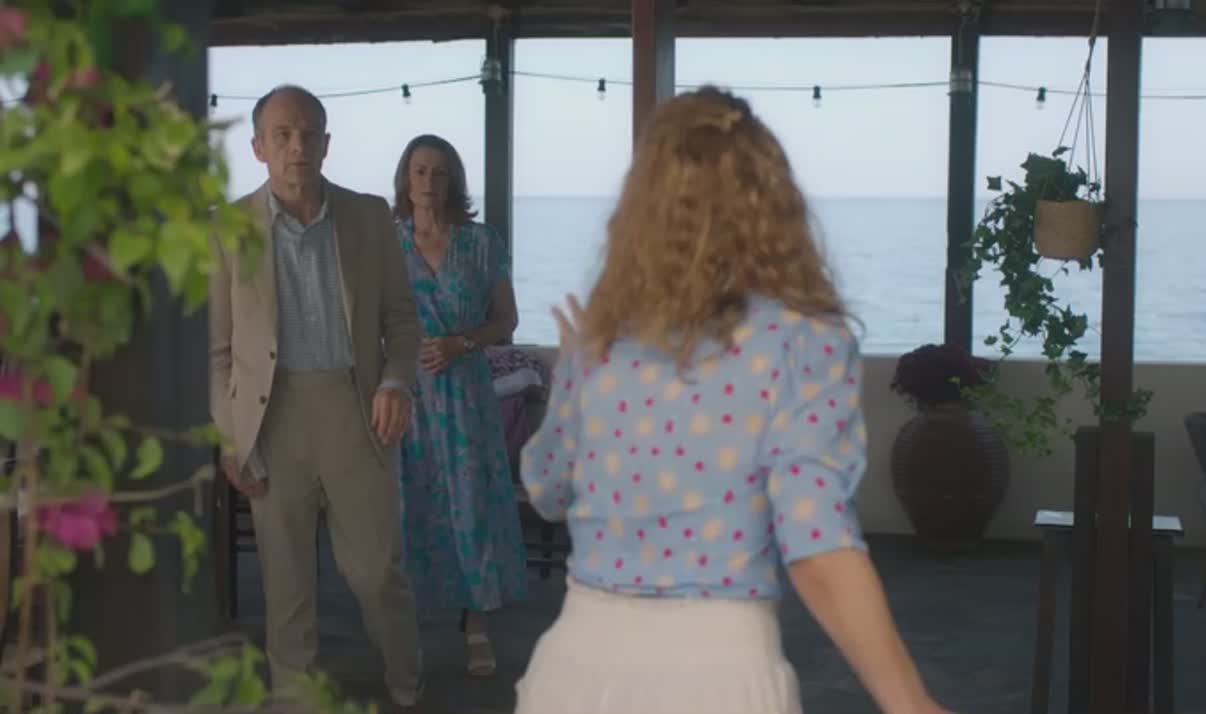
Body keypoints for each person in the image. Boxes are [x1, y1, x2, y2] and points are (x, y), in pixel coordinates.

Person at [515, 87, 952, 714]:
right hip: (718, 677)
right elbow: (816, 540)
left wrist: (573, 375)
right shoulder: (800, 343)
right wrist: (912, 705)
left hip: (574, 671)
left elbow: (546, 488)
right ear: (772, 204)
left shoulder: (600, 349)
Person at [208, 85, 427, 712]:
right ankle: (296, 699)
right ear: (258, 147)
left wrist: (395, 382)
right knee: (286, 586)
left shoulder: (369, 216)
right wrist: (230, 440)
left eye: (308, 134)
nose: (297, 146)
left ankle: (408, 682)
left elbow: (402, 323)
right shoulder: (227, 229)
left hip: (355, 411)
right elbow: (216, 351)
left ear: (327, 144)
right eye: (282, 135)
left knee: (376, 572)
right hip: (269, 420)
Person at [391, 134, 528, 676]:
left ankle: (477, 626)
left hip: (466, 393)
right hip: (406, 394)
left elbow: (506, 319)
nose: (429, 182)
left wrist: (461, 342)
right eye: (420, 171)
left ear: (454, 182)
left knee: (472, 508)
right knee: (408, 505)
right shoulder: (386, 242)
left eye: (440, 172)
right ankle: (407, 627)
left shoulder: (480, 242)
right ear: (406, 180)